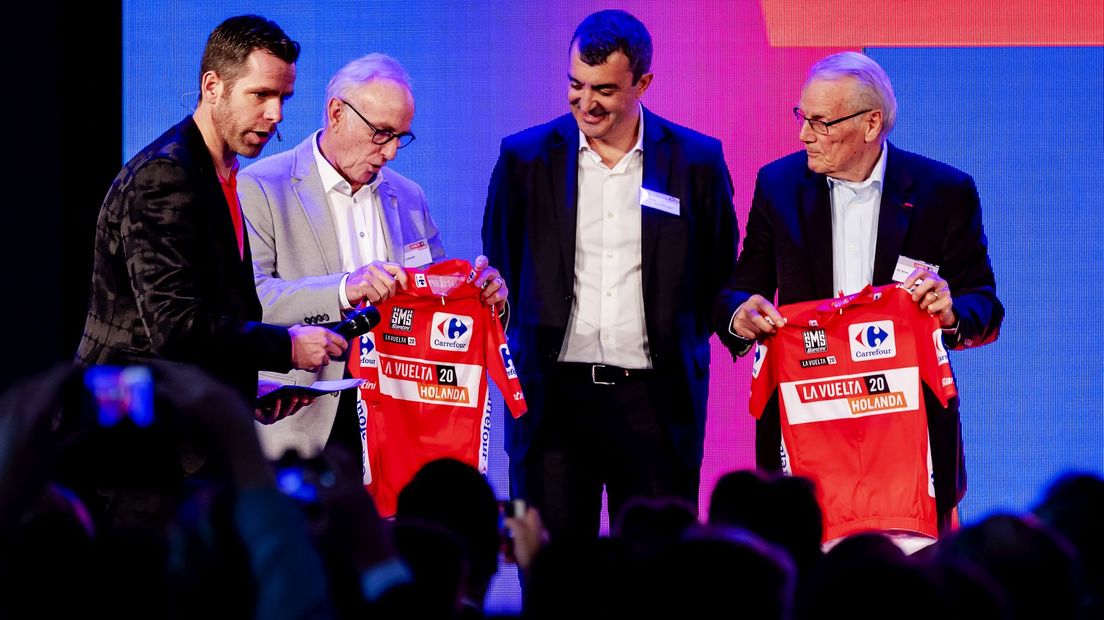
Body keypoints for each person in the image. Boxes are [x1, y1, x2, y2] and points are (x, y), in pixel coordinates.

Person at [715, 51, 1004, 533]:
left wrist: (951, 312)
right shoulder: (779, 185)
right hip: (809, 429)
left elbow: (985, 305)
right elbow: (741, 289)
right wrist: (741, 315)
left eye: (820, 122)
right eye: (801, 116)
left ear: (871, 124)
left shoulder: (943, 191)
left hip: (907, 440)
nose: (803, 134)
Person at [482, 9, 740, 541]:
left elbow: (718, 276)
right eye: (575, 84)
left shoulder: (696, 162)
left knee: (657, 580)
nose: (585, 102)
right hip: (552, 404)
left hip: (656, 406)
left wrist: (738, 318)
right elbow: (502, 267)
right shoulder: (524, 158)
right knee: (551, 579)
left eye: (603, 89)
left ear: (642, 83)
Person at [238, 54, 508, 461]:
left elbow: (434, 306)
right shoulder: (261, 186)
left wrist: (482, 301)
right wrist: (346, 288)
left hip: (397, 418)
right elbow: (252, 299)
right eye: (382, 133)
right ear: (336, 113)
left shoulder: (409, 196)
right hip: (304, 414)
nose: (393, 152)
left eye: (401, 136)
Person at [76, 15, 346, 414]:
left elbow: (214, 311)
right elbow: (174, 326)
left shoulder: (225, 174)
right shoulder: (165, 175)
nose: (277, 114)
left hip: (182, 425)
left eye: (283, 98)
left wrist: (242, 387)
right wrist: (286, 346)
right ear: (212, 87)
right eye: (261, 95)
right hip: (133, 437)